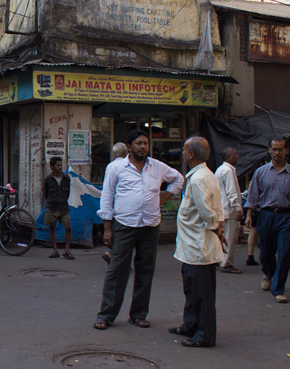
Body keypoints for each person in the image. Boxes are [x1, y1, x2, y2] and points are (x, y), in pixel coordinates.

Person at [94, 129, 184, 330]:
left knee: (145, 271)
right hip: (124, 225)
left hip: (150, 226)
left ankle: (138, 314)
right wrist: (107, 228)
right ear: (129, 147)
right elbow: (106, 197)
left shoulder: (158, 167)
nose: (143, 147)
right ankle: (106, 315)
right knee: (117, 271)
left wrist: (166, 196)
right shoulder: (116, 167)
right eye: (138, 143)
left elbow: (179, 179)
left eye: (145, 143)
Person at [170, 136, 225, 348]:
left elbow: (209, 214)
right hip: (192, 246)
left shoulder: (200, 178)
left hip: (199, 246)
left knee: (202, 294)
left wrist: (216, 228)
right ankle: (191, 324)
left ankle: (205, 334)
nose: (183, 153)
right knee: (192, 290)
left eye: (184, 150)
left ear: (191, 154)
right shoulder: (203, 175)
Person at [244, 138, 290, 303]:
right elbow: (253, 196)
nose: (277, 152)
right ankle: (268, 273)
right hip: (266, 215)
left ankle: (278, 289)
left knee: (285, 252)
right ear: (269, 150)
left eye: (280, 149)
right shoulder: (261, 172)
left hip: (287, 216)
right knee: (265, 252)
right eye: (274, 149)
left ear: (286, 151)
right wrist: (249, 215)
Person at [215, 147, 243, 274]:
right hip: (229, 209)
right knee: (230, 237)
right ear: (228, 157)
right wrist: (237, 208)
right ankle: (226, 263)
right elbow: (231, 192)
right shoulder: (228, 171)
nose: (237, 155)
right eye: (234, 154)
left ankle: (221, 260)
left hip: (222, 208)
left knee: (224, 236)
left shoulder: (220, 170)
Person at [103, 144, 129, 264]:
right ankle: (113, 254)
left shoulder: (110, 166)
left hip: (113, 204)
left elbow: (107, 191)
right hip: (122, 206)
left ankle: (112, 253)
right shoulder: (126, 165)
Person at [43, 156, 73, 259]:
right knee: (52, 228)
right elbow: (45, 194)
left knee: (68, 227)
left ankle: (67, 250)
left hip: (64, 206)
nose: (60, 167)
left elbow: (67, 192)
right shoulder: (48, 180)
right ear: (52, 167)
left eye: (61, 165)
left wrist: (63, 199)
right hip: (51, 206)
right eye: (58, 165)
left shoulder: (66, 178)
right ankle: (55, 250)